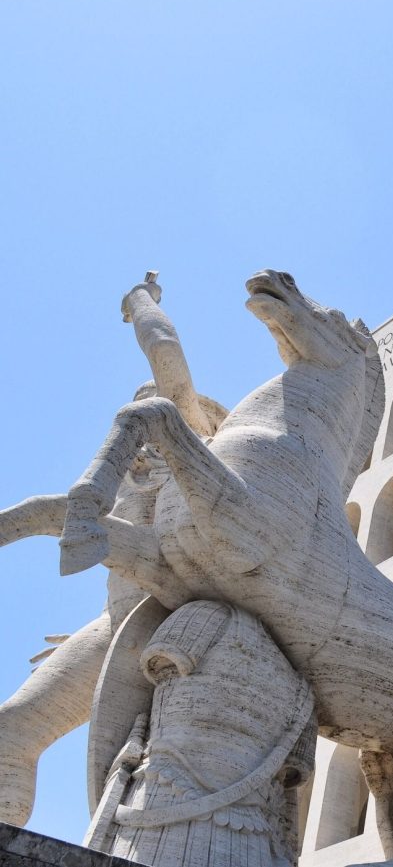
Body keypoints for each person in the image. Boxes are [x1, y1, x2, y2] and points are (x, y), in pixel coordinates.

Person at [0, 274, 226, 825]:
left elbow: (166, 355)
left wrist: (139, 301)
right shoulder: (125, 477)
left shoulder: (188, 441)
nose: (140, 420)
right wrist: (89, 628)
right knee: (12, 729)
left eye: (154, 407)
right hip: (116, 623)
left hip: (181, 617)